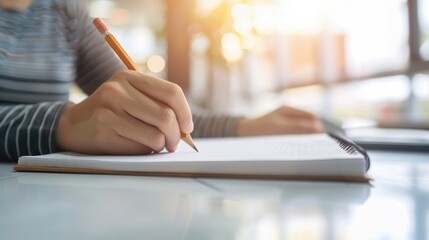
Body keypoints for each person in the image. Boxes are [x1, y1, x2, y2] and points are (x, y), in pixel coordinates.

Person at [0, 0, 323, 162]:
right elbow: (70, 122)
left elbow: (155, 108)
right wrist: (61, 125)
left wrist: (245, 126)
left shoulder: (64, 12)